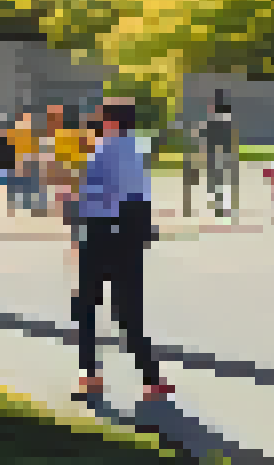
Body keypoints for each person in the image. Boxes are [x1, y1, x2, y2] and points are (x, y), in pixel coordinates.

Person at [72, 99, 168, 404]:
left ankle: (90, 375)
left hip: (102, 231)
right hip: (132, 231)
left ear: (110, 121)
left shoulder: (101, 151)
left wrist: (71, 205)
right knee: (129, 309)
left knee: (86, 304)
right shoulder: (139, 149)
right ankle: (151, 379)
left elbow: (90, 199)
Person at [201, 91, 240, 219]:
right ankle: (224, 207)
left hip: (216, 154)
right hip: (224, 154)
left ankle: (220, 207)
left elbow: (208, 139)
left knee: (218, 180)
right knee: (224, 181)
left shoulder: (212, 120)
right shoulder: (228, 120)